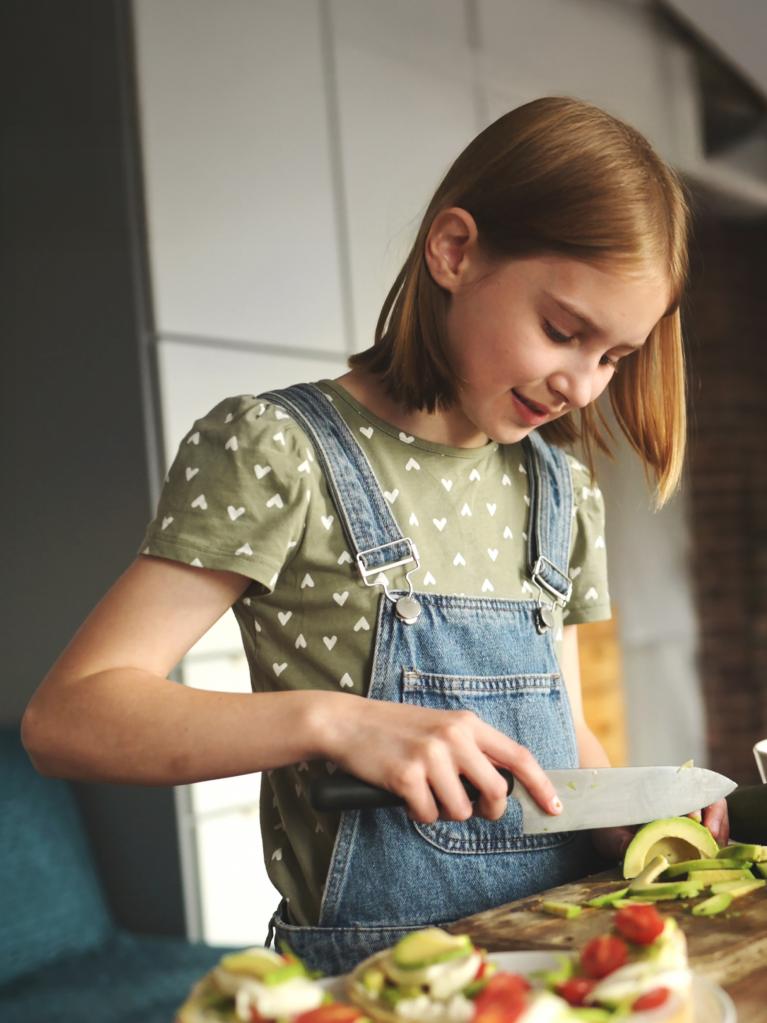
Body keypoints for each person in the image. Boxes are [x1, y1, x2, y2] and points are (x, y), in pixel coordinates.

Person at [22, 96, 728, 974]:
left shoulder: (562, 490)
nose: (581, 386)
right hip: (374, 981)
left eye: (613, 357)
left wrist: (622, 809)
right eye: (561, 330)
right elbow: (69, 717)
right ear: (455, 251)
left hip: (557, 965)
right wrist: (333, 722)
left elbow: (561, 740)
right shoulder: (280, 451)